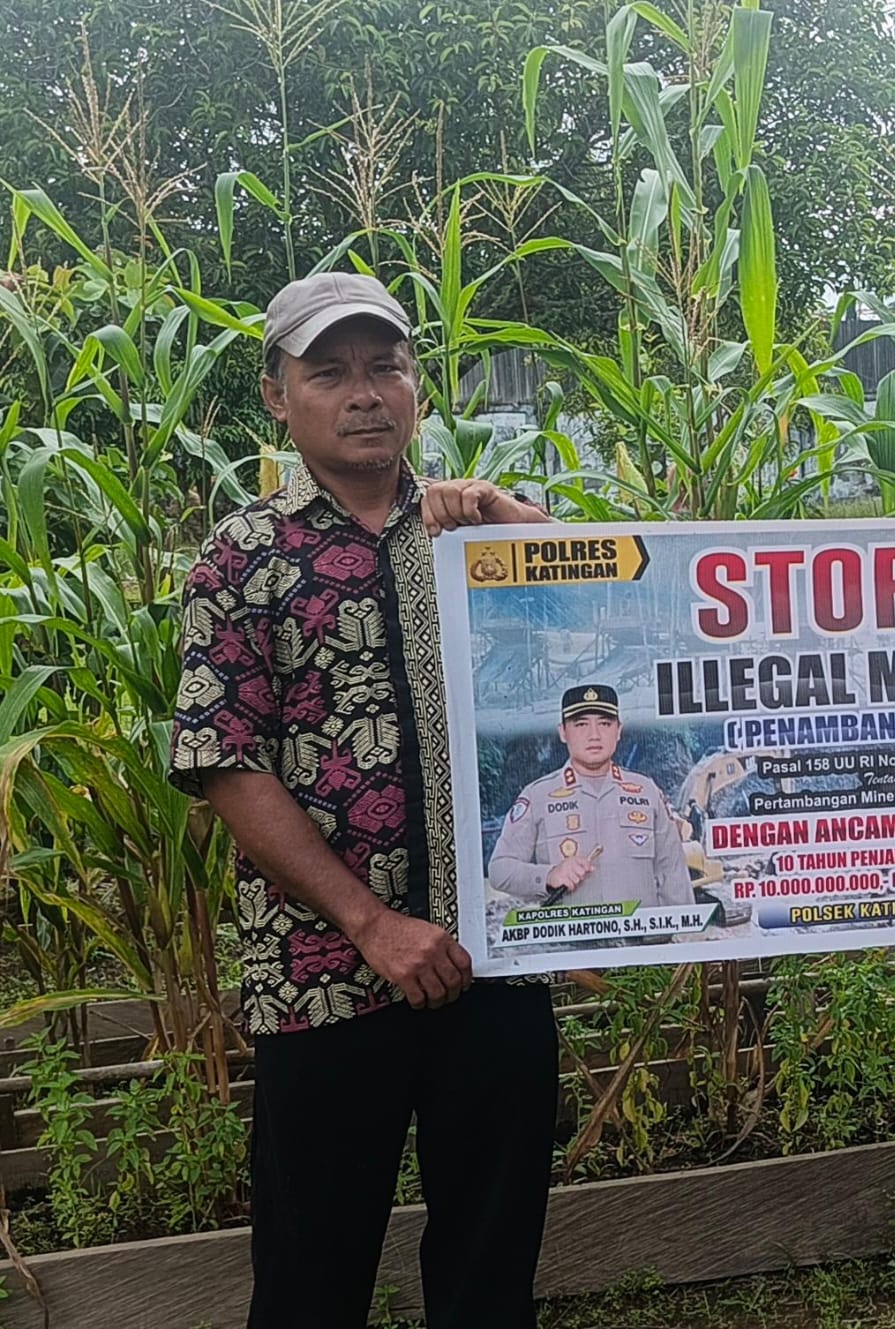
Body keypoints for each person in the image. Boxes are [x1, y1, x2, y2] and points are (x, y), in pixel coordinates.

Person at [170, 271, 557, 1329]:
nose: (363, 393)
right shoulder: (243, 560)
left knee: (492, 1264)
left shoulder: (477, 540)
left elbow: (619, 636)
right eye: (328, 373)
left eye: (384, 366)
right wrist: (372, 924)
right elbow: (225, 761)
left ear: (417, 387)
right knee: (310, 1270)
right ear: (276, 395)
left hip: (495, 963)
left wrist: (525, 531)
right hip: (324, 978)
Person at [487, 684, 694, 908]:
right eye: (581, 724)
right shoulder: (537, 796)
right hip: (571, 940)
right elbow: (500, 869)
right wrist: (548, 876)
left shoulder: (647, 791)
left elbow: (673, 874)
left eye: (605, 724)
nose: (594, 735)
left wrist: (681, 937)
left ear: (618, 730)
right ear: (563, 732)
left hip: (642, 938)